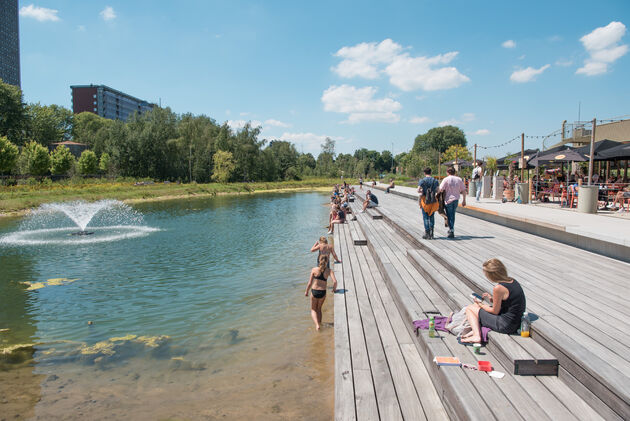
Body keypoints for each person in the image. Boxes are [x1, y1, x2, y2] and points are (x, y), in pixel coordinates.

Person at [460, 258, 526, 343]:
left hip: (506, 325)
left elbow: (495, 311)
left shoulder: (498, 288)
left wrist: (480, 304)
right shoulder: (512, 281)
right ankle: (475, 329)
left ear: (492, 275)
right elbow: (508, 302)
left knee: (469, 308)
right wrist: (492, 299)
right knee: (475, 307)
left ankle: (476, 336)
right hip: (515, 321)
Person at [305, 255, 337, 330]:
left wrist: (306, 291)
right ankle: (320, 323)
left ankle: (317, 325)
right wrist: (334, 289)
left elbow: (309, 283)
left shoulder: (314, 270)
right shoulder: (329, 271)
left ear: (319, 260)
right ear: (327, 261)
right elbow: (335, 282)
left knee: (313, 309)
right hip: (323, 293)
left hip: (314, 291)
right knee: (319, 309)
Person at [439, 166, 467, 238]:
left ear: (447, 172)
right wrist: (464, 200)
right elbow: (464, 190)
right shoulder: (459, 179)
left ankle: (451, 230)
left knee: (449, 215)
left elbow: (441, 189)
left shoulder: (446, 179)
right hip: (456, 200)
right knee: (452, 215)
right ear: (454, 172)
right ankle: (451, 229)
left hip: (448, 200)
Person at [417, 167, 440, 239]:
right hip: (433, 201)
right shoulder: (435, 181)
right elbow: (438, 191)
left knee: (425, 217)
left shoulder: (422, 180)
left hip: (425, 200)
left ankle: (427, 233)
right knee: (431, 216)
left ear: (424, 173)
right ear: (431, 172)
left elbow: (418, 190)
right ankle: (431, 232)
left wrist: (422, 191)